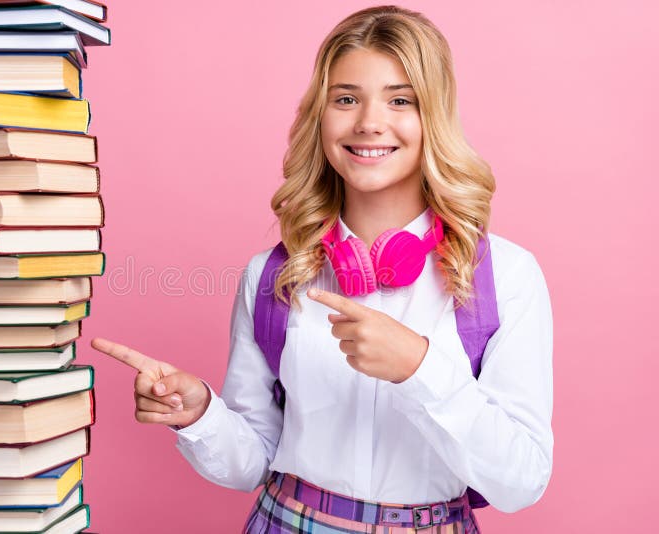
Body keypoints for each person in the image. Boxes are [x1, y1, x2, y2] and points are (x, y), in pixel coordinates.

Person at [92, 5, 553, 533]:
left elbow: (522, 481)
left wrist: (420, 369)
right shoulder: (272, 277)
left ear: (434, 116)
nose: (369, 122)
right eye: (346, 99)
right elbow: (254, 461)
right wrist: (200, 415)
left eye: (400, 99)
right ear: (321, 114)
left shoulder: (509, 277)